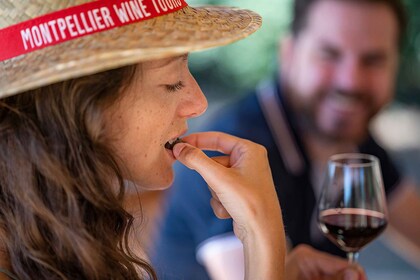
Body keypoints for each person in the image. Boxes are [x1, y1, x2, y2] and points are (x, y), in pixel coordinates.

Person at [0, 0, 288, 279]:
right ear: (85, 105)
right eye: (172, 81)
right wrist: (261, 236)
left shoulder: (59, 232)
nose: (199, 103)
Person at [152, 0, 420, 279]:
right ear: (288, 53)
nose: (350, 82)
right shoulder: (235, 148)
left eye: (373, 60)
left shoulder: (351, 138)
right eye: (329, 54)